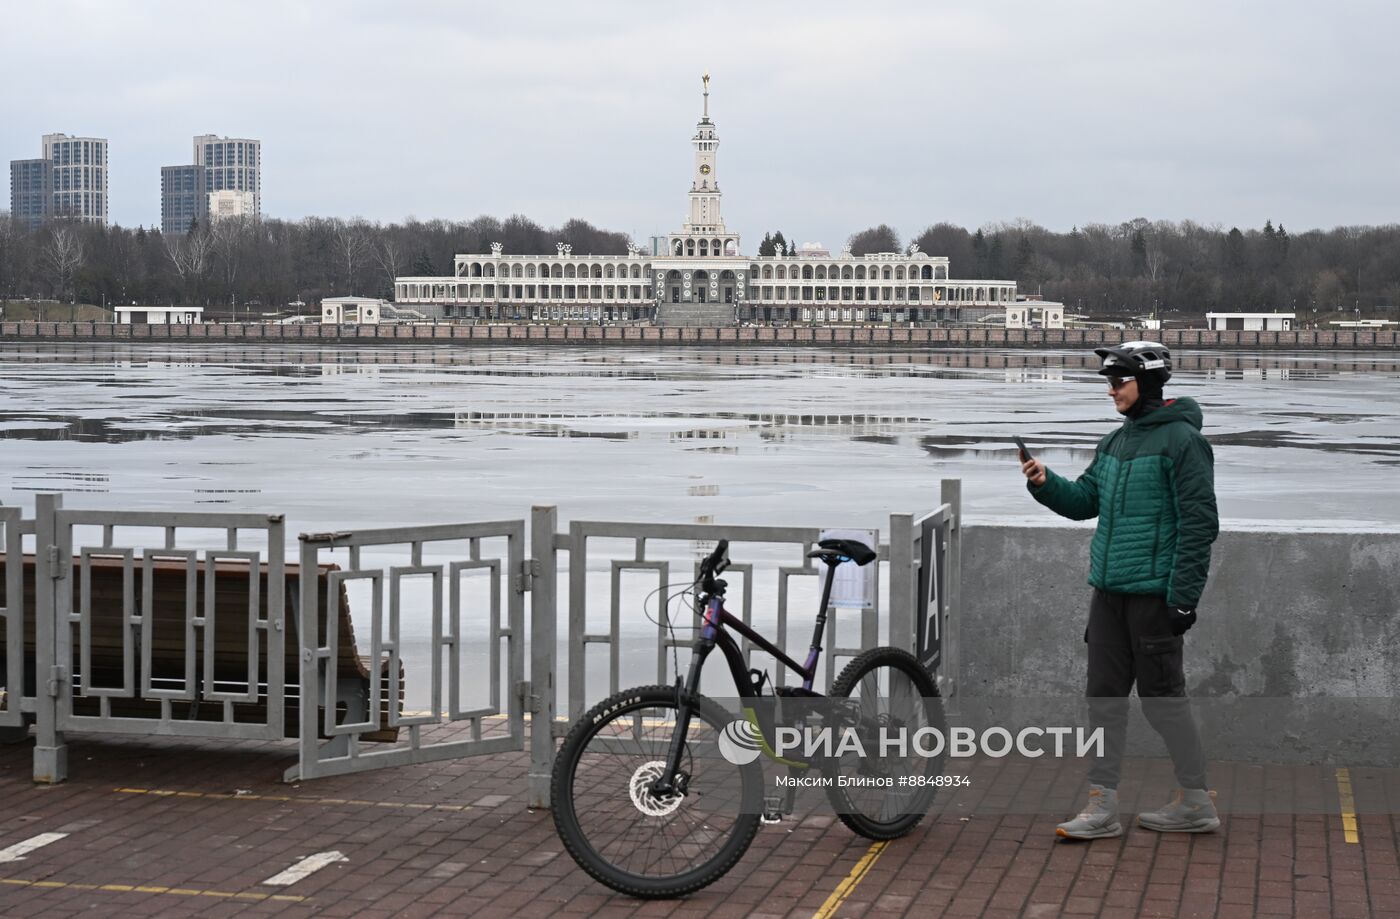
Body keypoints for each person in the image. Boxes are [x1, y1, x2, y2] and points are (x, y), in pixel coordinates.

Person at [1020, 341, 1220, 839]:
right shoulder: (1116, 443)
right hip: (1107, 595)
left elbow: (1199, 524)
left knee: (1163, 701)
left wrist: (1183, 597)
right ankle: (1100, 806)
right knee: (1103, 701)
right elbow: (1087, 500)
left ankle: (1195, 800)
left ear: (1147, 383)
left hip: (1154, 597)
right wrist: (1045, 482)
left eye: (1119, 381)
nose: (1110, 391)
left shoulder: (1182, 442)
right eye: (1108, 382)